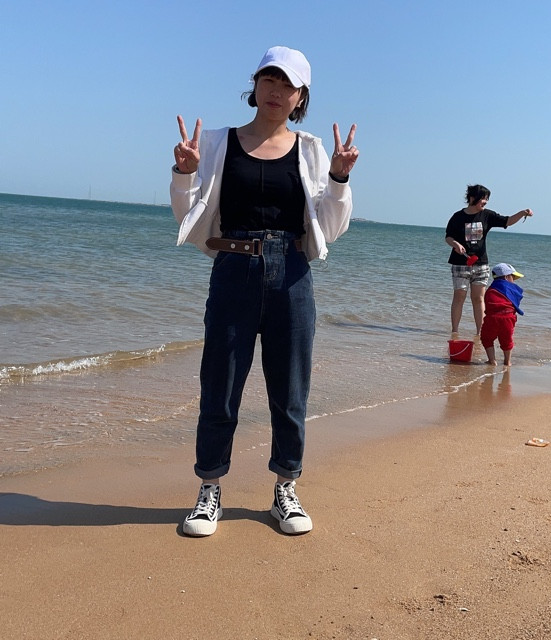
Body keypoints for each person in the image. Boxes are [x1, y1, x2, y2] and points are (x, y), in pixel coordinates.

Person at [170, 46, 358, 537]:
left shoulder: (312, 150)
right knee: (220, 384)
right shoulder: (217, 143)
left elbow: (330, 228)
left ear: (301, 97)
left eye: (288, 84)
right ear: (254, 85)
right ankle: (209, 489)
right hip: (233, 268)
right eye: (269, 79)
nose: (277, 91)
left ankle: (285, 488)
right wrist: (184, 172)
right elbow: (188, 216)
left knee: (290, 389)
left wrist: (339, 178)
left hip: (291, 273)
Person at [445, 185, 533, 335]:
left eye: (487, 199)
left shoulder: (487, 215)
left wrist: (522, 213)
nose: (485, 202)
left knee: (478, 299)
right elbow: (448, 237)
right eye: (483, 199)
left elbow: (507, 221)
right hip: (460, 264)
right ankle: (455, 332)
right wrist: (456, 244)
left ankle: (480, 333)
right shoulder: (457, 216)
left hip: (481, 264)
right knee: (459, 297)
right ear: (472, 198)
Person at [480, 263, 525, 366]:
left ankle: (492, 361)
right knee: (507, 341)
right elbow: (515, 304)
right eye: (513, 277)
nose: (513, 281)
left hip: (492, 318)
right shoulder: (513, 289)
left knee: (486, 338)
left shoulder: (490, 290)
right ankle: (507, 361)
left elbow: (488, 305)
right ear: (506, 277)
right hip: (508, 318)